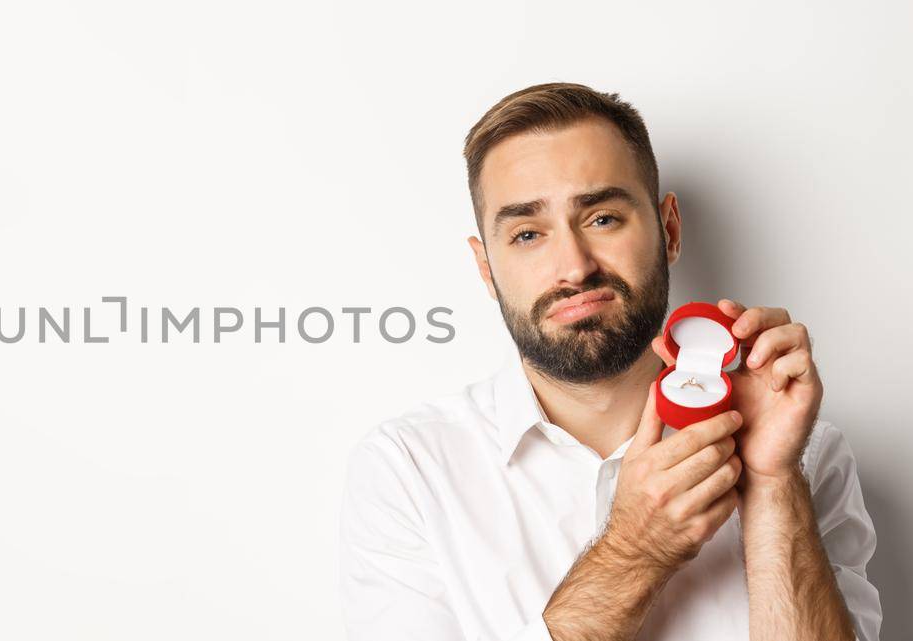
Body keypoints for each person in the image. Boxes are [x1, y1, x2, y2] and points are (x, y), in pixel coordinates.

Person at [337, 83, 881, 641]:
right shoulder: (409, 471)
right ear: (486, 269)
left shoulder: (802, 452)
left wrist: (771, 484)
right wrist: (634, 552)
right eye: (527, 234)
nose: (573, 267)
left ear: (668, 230)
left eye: (601, 219)